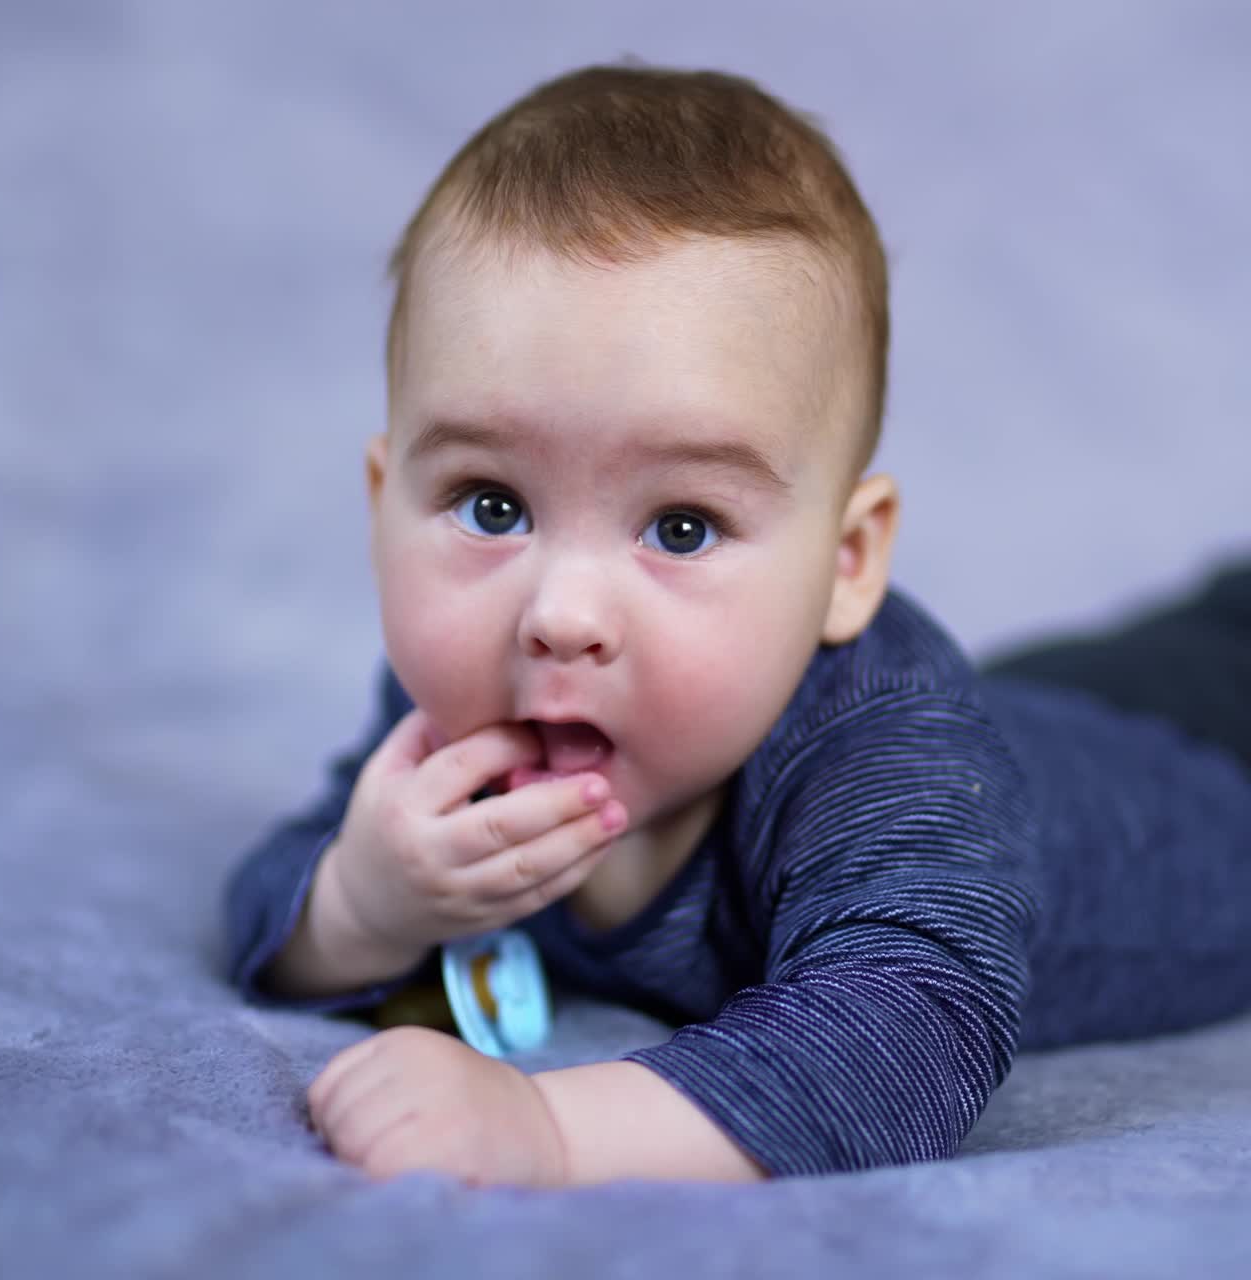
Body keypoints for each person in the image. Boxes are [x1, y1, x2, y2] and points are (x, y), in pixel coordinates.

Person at [222, 60, 1251, 1188]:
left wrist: (548, 1132)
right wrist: (366, 899)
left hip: (1203, 768)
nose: (559, 616)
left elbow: (903, 1034)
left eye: (679, 525)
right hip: (1046, 704)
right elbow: (274, 893)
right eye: (493, 506)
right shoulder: (455, 706)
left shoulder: (885, 764)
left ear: (842, 565)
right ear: (383, 508)